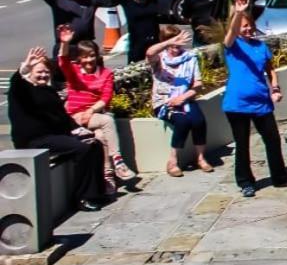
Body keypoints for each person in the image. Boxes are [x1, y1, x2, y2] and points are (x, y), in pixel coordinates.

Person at [8, 47, 106, 211]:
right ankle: (82, 198)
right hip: (34, 140)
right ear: (30, 73)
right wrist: (24, 68)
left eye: (46, 72)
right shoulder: (22, 90)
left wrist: (78, 130)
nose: (43, 75)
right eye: (39, 72)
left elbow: (62, 117)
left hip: (54, 136)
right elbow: (16, 84)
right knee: (83, 148)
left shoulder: (47, 90)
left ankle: (96, 193)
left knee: (94, 144)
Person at [223, 0, 287, 196]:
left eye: (249, 26)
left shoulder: (261, 46)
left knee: (272, 139)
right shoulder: (232, 46)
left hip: (261, 102)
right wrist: (238, 12)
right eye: (242, 26)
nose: (246, 29)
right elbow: (230, 34)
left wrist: (276, 89)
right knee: (242, 144)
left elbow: (270, 70)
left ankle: (280, 178)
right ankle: (245, 182)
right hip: (237, 104)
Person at [56, 25, 133, 194]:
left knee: (100, 136)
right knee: (107, 121)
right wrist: (65, 43)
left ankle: (108, 177)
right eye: (84, 57)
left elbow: (105, 98)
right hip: (74, 117)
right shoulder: (74, 71)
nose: (88, 60)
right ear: (79, 59)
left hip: (93, 114)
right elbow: (62, 60)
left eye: (91, 56)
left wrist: (90, 111)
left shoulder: (106, 74)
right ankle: (118, 161)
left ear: (97, 56)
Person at [146, 26, 212, 178]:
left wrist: (183, 97)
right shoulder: (160, 59)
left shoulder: (190, 57)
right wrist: (169, 41)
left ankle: (201, 158)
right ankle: (172, 161)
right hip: (165, 102)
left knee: (198, 120)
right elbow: (150, 52)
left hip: (185, 98)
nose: (176, 47)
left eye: (178, 43)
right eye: (172, 44)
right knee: (182, 121)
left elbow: (198, 83)